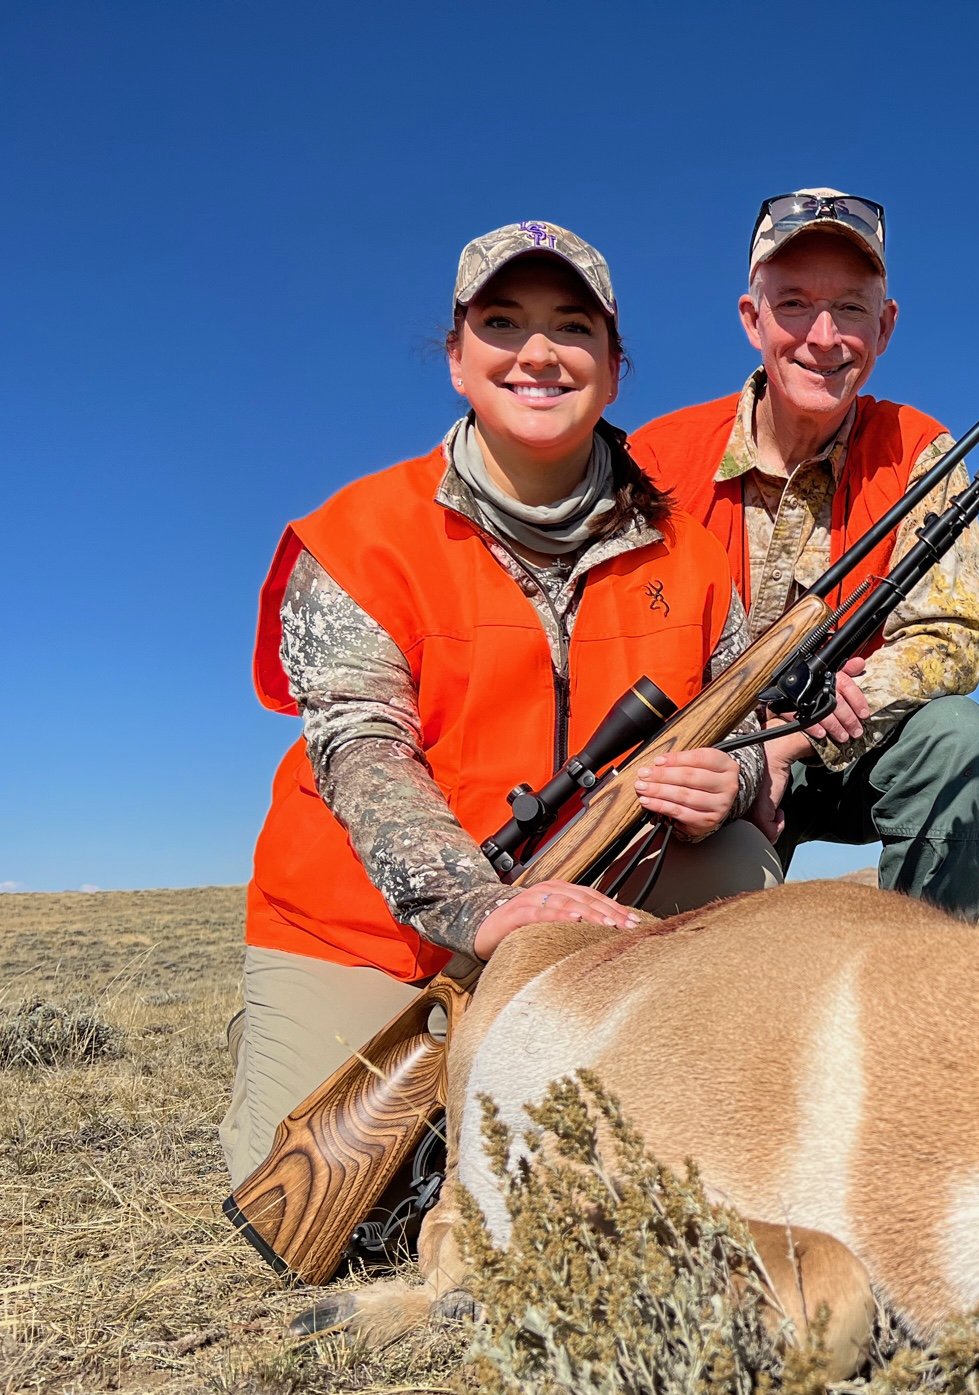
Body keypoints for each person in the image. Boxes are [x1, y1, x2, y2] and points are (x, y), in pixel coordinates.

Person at [222, 221, 807, 1186]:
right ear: (457, 360)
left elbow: (747, 726)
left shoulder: (693, 557)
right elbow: (362, 750)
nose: (537, 352)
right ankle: (312, 1025)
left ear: (615, 370)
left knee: (739, 862)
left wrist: (734, 777)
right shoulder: (357, 538)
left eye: (571, 327)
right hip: (374, 926)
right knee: (306, 1203)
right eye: (503, 323)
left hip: (590, 900)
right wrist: (480, 907)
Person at [629, 189, 979, 921]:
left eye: (852, 308)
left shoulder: (922, 453)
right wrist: (737, 761)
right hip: (702, 758)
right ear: (752, 318)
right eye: (795, 304)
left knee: (961, 741)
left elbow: (954, 634)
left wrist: (795, 741)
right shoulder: (657, 459)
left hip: (838, 750)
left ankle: (917, 998)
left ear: (886, 326)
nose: (825, 336)